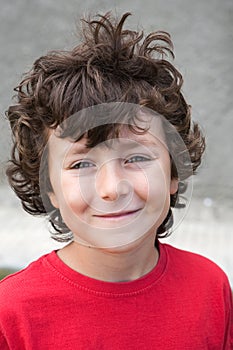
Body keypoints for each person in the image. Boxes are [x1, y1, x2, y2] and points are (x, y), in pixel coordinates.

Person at [0, 11, 232, 349]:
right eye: (81, 164)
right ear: (49, 188)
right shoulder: (12, 312)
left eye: (136, 157)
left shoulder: (210, 287)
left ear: (172, 173)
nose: (111, 189)